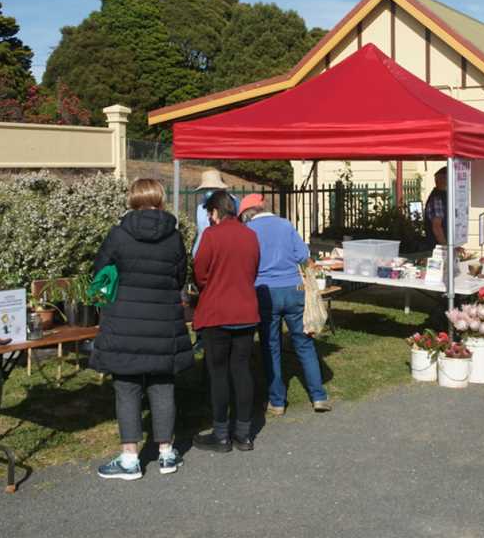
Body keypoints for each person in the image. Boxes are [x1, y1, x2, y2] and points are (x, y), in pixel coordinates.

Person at [91, 179, 193, 480]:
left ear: (132, 199)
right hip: (163, 322)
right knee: (163, 386)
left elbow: (100, 272)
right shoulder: (173, 238)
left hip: (124, 322)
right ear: (160, 200)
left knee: (127, 389)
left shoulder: (118, 235)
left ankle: (130, 458)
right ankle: (166, 454)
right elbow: (179, 277)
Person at [238, 194, 331, 416]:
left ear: (247, 214)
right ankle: (318, 396)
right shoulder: (285, 225)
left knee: (271, 346)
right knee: (305, 343)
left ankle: (277, 401)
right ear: (263, 206)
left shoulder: (248, 231)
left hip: (265, 292)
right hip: (293, 290)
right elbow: (302, 255)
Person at [192, 190, 260, 451]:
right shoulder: (251, 235)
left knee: (218, 373)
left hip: (217, 312)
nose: (209, 218)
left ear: (216, 211)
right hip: (245, 310)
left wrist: (213, 286)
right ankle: (244, 433)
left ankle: (221, 433)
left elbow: (200, 272)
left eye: (210, 213)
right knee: (242, 370)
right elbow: (253, 268)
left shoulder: (211, 235)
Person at [191, 168, 239, 257]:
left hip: (226, 251)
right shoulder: (201, 206)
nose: (209, 191)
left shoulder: (233, 202)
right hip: (204, 252)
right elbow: (201, 231)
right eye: (206, 188)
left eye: (212, 188)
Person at [424, 167, 448, 248]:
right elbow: (437, 227)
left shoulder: (444, 196)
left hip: (440, 247)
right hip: (437, 250)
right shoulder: (437, 198)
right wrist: (447, 247)